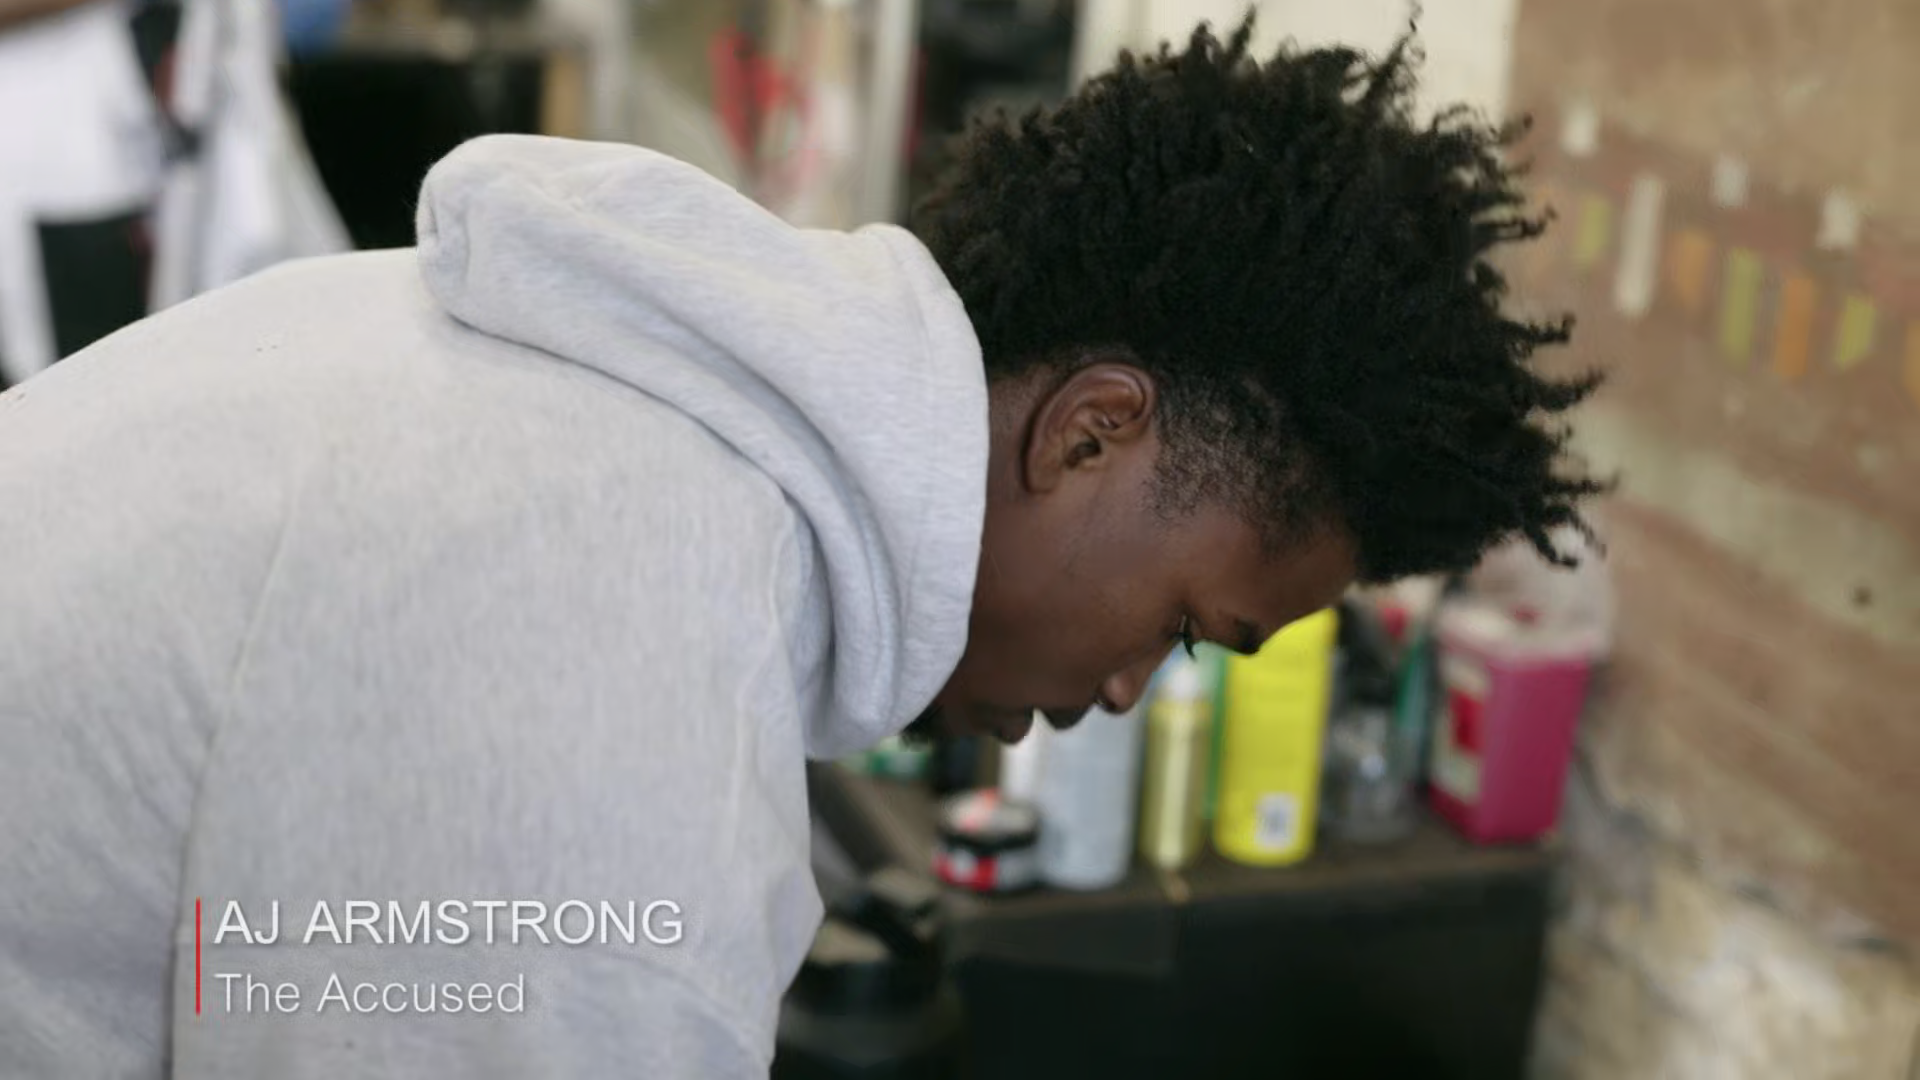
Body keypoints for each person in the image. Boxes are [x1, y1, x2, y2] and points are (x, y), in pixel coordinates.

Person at [0, 19, 1602, 1079]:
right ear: (1090, 433)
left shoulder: (629, 411)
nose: (1127, 689)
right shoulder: (614, 633)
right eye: (1185, 625)